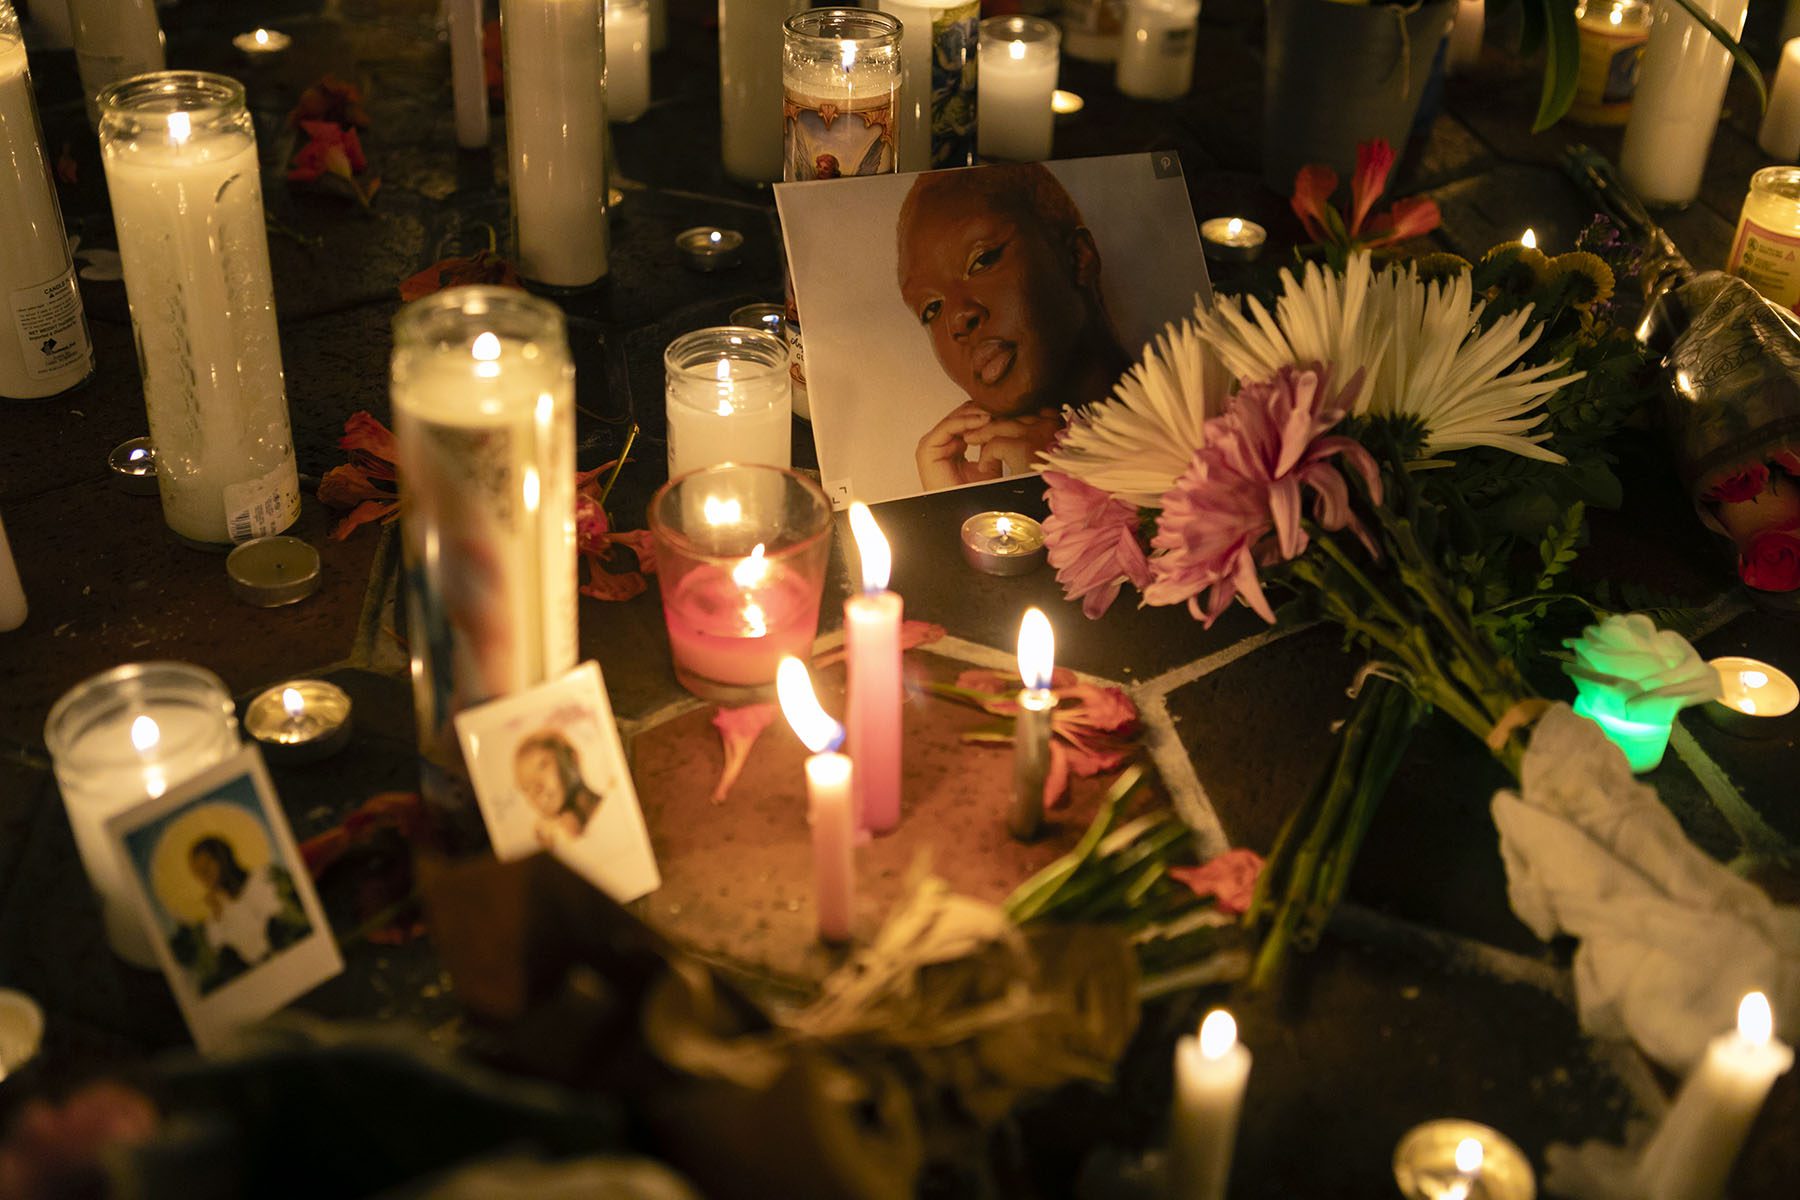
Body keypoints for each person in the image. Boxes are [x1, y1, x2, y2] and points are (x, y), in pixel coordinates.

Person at [896, 164, 1131, 491]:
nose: (957, 319)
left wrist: (1054, 490)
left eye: (982, 260)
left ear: (1078, 257)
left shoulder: (1212, 435)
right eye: (931, 308)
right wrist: (966, 508)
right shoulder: (983, 470)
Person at [187, 835, 306, 972]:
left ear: (222, 858)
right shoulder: (215, 910)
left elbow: (280, 919)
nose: (205, 875)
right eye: (198, 872)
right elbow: (220, 950)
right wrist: (217, 913)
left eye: (207, 865)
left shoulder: (261, 878)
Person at [513, 729, 605, 848]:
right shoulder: (557, 845)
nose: (537, 788)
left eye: (542, 766)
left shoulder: (616, 804)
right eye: (526, 787)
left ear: (572, 758)